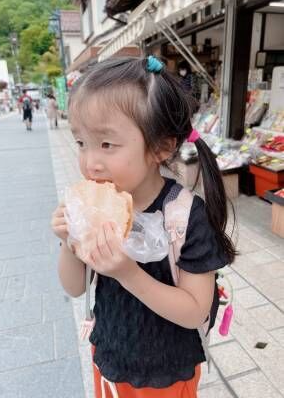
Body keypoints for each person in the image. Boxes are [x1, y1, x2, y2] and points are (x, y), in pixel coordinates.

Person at [51, 56, 236, 398]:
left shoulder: (185, 216)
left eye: (106, 144)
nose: (90, 162)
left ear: (161, 147)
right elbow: (75, 287)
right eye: (81, 143)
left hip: (166, 373)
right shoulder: (94, 209)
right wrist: (68, 242)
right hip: (109, 357)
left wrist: (128, 273)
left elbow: (195, 311)